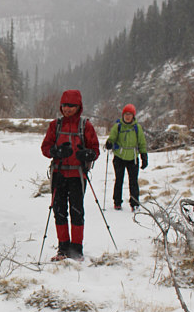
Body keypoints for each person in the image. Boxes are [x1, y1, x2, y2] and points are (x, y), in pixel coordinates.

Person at [40, 90, 100, 261]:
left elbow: (95, 149)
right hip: (58, 174)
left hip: (77, 175)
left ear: (78, 106)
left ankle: (77, 248)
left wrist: (87, 154)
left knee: (77, 211)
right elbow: (45, 148)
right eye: (65, 105)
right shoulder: (55, 125)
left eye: (71, 106)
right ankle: (63, 247)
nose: (67, 109)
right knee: (59, 212)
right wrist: (55, 151)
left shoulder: (85, 126)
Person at [105, 103, 148, 211]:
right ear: (123, 115)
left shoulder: (137, 128)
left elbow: (142, 143)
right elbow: (112, 137)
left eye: (130, 114)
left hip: (133, 158)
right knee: (119, 180)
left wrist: (144, 156)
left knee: (133, 181)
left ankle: (134, 203)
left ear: (133, 116)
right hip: (119, 157)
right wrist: (109, 143)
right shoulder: (118, 126)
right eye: (126, 114)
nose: (127, 116)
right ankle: (117, 202)